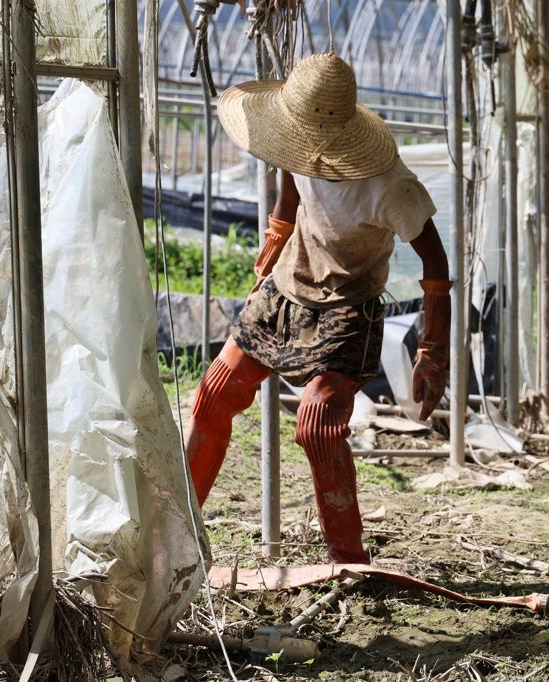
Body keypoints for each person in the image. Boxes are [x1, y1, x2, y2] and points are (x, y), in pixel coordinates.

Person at [183, 52, 451, 564]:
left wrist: (432, 350)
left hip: (348, 302)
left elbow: (435, 264)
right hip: (287, 286)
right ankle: (178, 535)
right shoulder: (297, 142)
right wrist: (274, 242)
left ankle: (347, 560)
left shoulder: (390, 185)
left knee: (319, 423)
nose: (295, 149)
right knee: (214, 394)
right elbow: (291, 193)